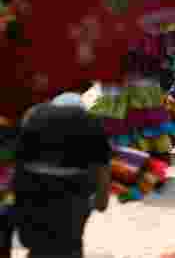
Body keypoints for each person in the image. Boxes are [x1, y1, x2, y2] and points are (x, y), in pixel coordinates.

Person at [13, 93, 112, 258]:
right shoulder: (90, 122)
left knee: (37, 245)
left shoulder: (34, 115)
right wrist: (102, 200)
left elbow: (18, 159)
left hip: (32, 191)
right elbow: (103, 168)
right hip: (73, 197)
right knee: (70, 245)